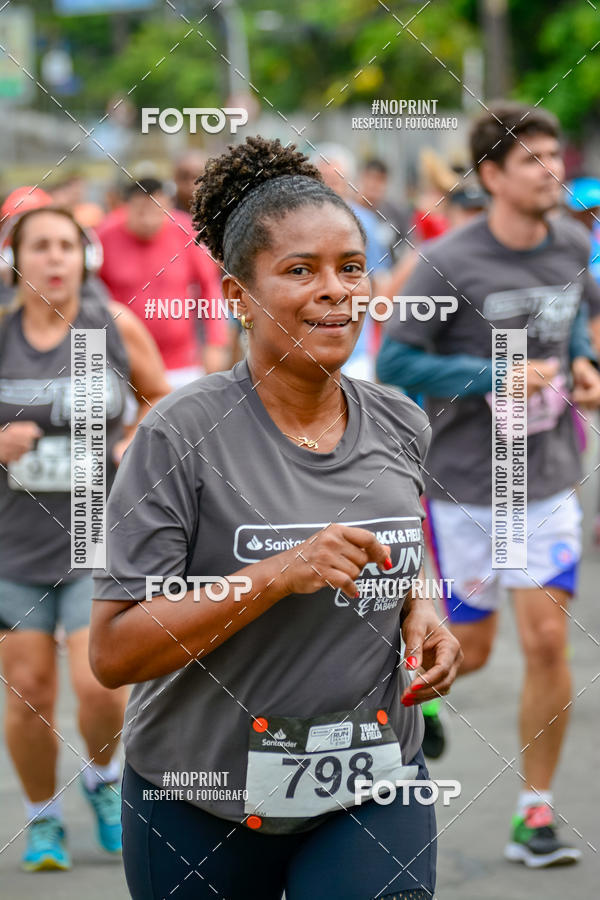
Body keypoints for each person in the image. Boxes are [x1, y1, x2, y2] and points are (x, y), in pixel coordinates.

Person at [89, 136, 463, 900]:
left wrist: (423, 607)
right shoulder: (179, 435)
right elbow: (114, 652)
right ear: (236, 295)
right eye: (300, 271)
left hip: (372, 779)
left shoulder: (400, 421)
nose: (336, 291)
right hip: (199, 796)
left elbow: (402, 541)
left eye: (351, 267)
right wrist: (275, 575)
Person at [377, 102, 600, 868]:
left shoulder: (571, 243)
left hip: (546, 478)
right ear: (492, 175)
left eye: (555, 157)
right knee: (465, 649)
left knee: (546, 640)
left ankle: (535, 812)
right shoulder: (448, 261)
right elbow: (395, 361)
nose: (552, 172)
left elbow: (573, 327)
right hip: (468, 485)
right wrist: (494, 373)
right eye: (532, 161)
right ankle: (421, 703)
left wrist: (582, 367)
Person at [0, 205, 171, 871]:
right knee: (29, 694)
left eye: (66, 246)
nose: (54, 259)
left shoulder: (112, 327)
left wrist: (133, 444)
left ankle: (102, 777)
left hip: (95, 538)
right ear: (15, 261)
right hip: (12, 547)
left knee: (99, 685)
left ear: (85, 258)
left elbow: (160, 399)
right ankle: (42, 818)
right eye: (40, 246)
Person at [97, 177, 229, 388]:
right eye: (141, 211)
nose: (149, 220)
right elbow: (90, 297)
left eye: (156, 211)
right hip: (125, 362)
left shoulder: (186, 231)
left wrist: (216, 341)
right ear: (126, 208)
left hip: (182, 362)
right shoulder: (104, 236)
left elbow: (209, 286)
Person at [173, 149, 207, 214]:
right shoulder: (164, 213)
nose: (190, 183)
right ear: (175, 178)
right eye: (184, 177)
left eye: (197, 176)